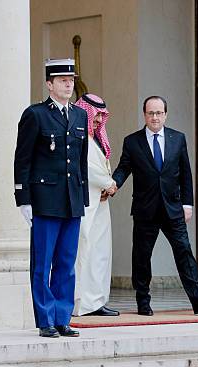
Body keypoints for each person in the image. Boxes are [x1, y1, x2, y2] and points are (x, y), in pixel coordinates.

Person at [110, 96, 198, 316]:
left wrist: (188, 204)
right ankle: (143, 302)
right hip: (145, 209)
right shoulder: (132, 141)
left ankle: (197, 300)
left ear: (165, 115)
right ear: (144, 115)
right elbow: (124, 168)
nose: (155, 117)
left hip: (173, 208)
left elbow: (186, 174)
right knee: (141, 257)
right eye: (151, 113)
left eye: (159, 113)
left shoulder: (178, 139)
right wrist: (114, 184)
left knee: (184, 252)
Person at [14, 59, 89, 337]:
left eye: (70, 80)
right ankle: (45, 320)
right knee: (43, 263)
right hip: (44, 199)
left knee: (67, 264)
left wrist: (83, 199)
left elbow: (81, 160)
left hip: (71, 199)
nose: (69, 84)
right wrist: (23, 198)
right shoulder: (35, 114)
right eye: (62, 80)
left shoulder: (80, 115)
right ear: (49, 84)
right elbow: (23, 159)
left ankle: (62, 317)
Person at [72, 94, 119, 317]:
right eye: (96, 114)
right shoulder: (79, 136)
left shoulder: (96, 139)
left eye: (102, 115)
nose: (99, 119)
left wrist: (106, 187)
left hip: (99, 203)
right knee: (85, 252)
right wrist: (109, 184)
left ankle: (97, 301)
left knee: (100, 254)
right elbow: (87, 168)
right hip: (85, 203)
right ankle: (82, 303)